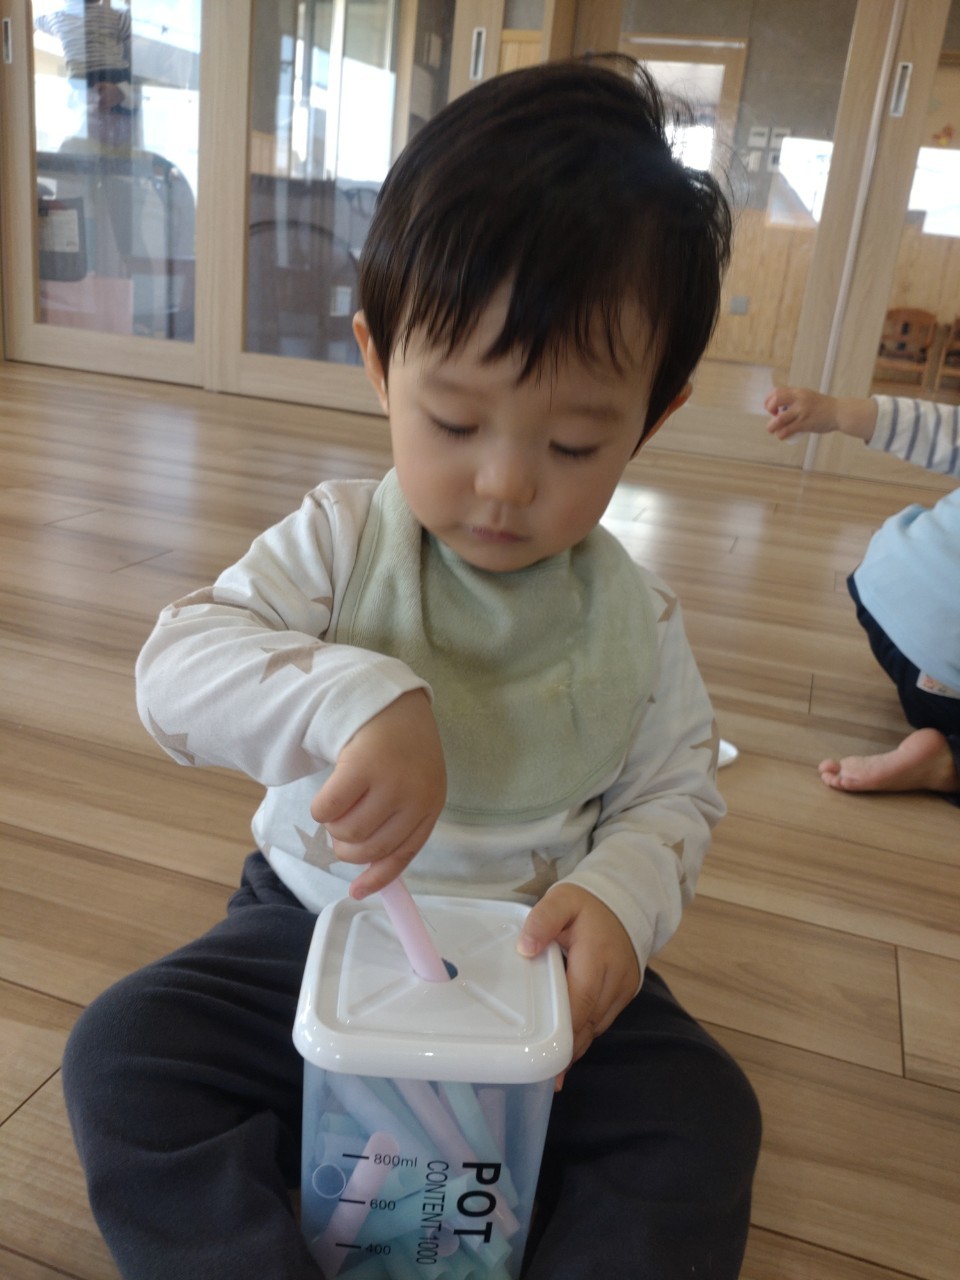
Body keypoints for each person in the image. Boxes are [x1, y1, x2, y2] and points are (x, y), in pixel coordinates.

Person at [62, 59, 761, 1280]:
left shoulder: (636, 620)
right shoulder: (341, 542)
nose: (504, 480)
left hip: (532, 967)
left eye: (574, 441)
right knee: (126, 1052)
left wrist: (618, 898)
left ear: (653, 416)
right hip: (313, 927)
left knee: (702, 1119)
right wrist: (352, 692)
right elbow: (177, 669)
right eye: (454, 421)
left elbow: (673, 794)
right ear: (381, 362)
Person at [765, 386, 960, 802]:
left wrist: (835, 411)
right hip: (943, 676)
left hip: (884, 590)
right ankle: (947, 764)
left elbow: (934, 429)